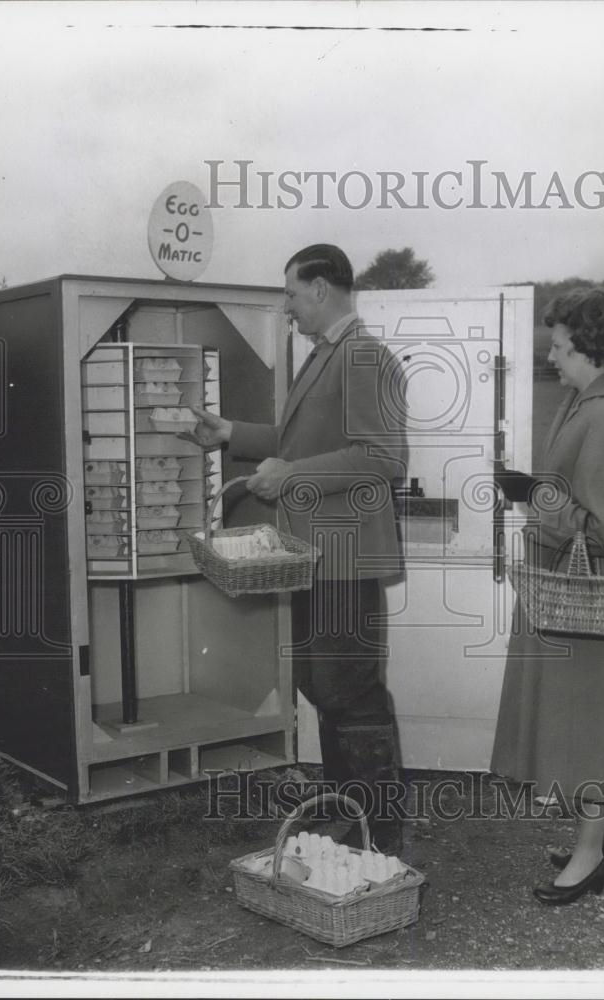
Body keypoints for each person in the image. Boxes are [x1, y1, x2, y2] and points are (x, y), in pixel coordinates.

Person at [186, 244, 408, 853]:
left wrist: (292, 476)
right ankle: (348, 810)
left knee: (347, 685)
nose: (285, 306)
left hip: (346, 555)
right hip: (314, 556)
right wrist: (231, 433)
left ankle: (378, 823)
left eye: (289, 293)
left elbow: (384, 459)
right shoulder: (327, 355)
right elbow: (295, 439)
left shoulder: (364, 357)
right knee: (319, 681)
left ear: (319, 289)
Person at [491, 286, 604, 905]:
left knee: (594, 724)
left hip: (594, 586)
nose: (550, 355)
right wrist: (536, 489)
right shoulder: (587, 396)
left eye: (558, 344)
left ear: (588, 344)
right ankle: (601, 840)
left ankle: (591, 855)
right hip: (574, 580)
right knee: (578, 717)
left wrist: (534, 494)